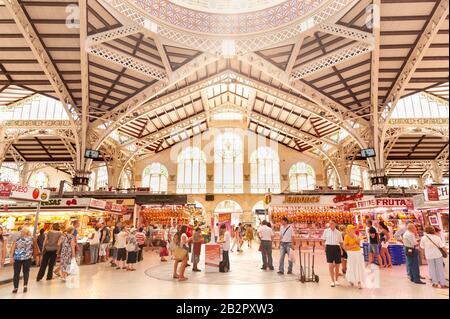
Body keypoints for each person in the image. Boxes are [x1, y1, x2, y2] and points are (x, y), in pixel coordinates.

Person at [10, 228, 33, 293]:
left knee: (16, 273)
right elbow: (33, 248)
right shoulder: (31, 239)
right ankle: (25, 286)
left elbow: (13, 248)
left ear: (22, 232)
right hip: (27, 258)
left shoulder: (17, 239)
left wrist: (11, 257)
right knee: (26, 272)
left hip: (17, 258)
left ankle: (15, 288)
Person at [322, 220, 343, 287]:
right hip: (329, 247)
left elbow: (341, 242)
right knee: (330, 265)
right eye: (330, 223)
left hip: (337, 248)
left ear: (335, 224)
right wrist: (325, 247)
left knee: (337, 265)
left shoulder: (338, 232)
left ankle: (336, 280)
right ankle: (332, 280)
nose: (331, 224)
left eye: (332, 223)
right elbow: (323, 240)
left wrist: (341, 250)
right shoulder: (326, 231)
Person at [343, 225, 365, 289]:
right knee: (351, 266)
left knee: (358, 267)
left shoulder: (355, 235)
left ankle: (359, 282)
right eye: (352, 229)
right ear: (349, 230)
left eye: (354, 229)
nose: (354, 230)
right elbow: (345, 247)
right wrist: (353, 246)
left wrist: (358, 240)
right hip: (351, 254)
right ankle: (351, 279)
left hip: (358, 253)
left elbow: (358, 244)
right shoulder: (346, 237)